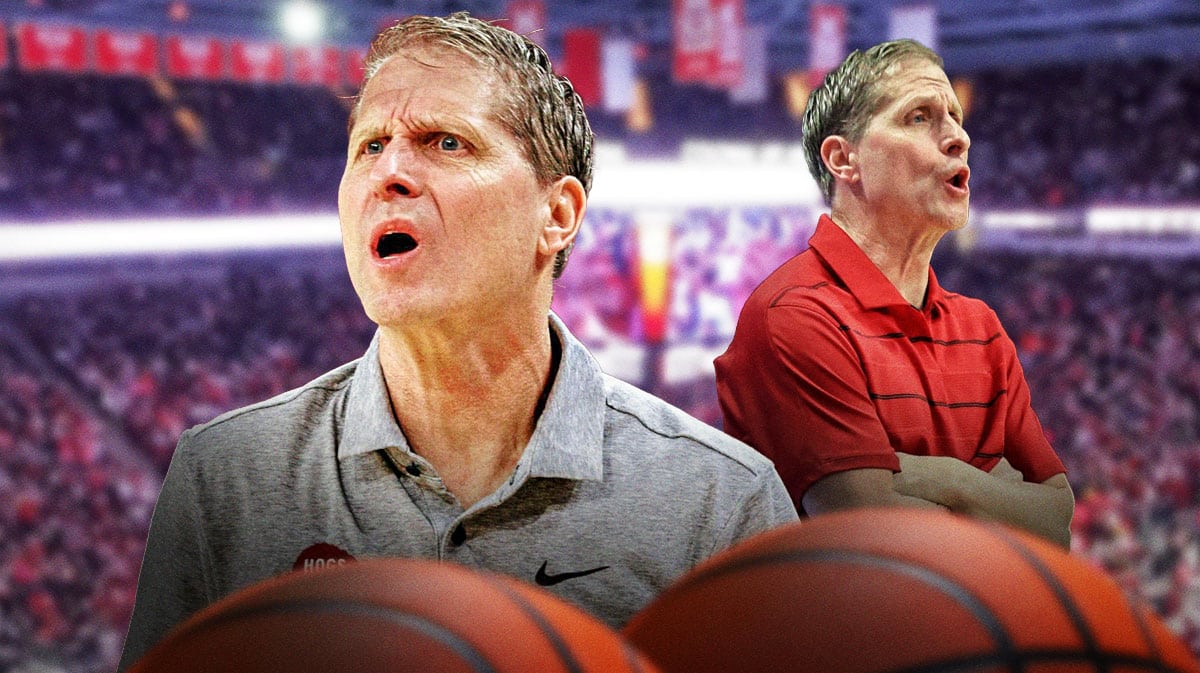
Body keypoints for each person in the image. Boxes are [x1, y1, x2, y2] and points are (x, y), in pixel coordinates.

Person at [118, 12, 797, 670]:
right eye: (370, 146)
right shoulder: (224, 479)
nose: (391, 173)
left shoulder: (721, 502)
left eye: (446, 142)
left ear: (555, 215)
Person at [714, 39, 1073, 548]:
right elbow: (873, 536)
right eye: (920, 118)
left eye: (955, 115)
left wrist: (945, 480)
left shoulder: (981, 327)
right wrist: (995, 494)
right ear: (844, 159)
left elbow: (1056, 520)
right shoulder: (795, 314)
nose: (958, 138)